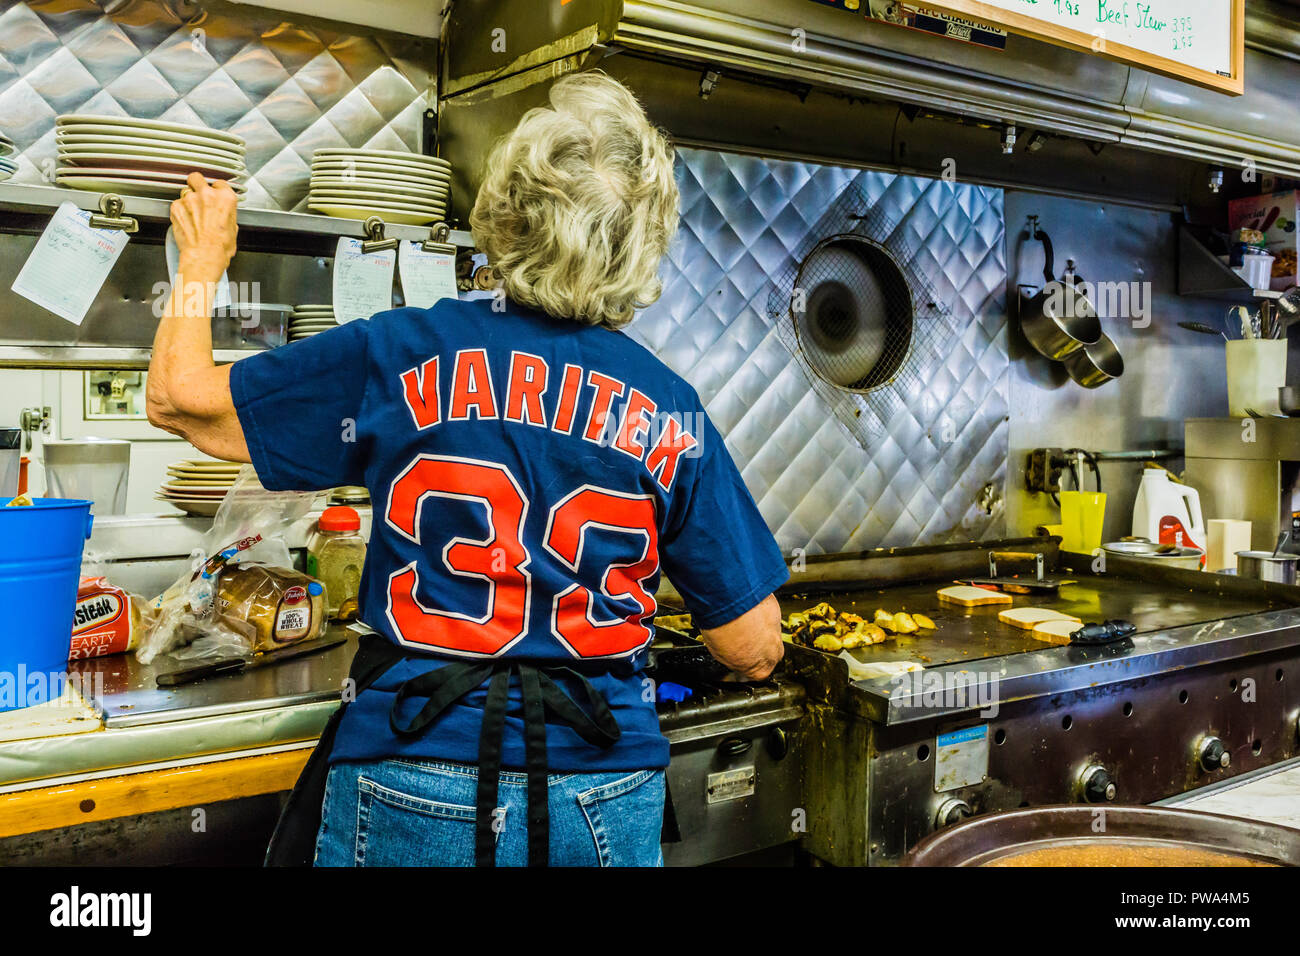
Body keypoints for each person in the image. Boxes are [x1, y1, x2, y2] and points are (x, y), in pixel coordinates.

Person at [147, 72, 788, 867]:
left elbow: (181, 401)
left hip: (413, 768)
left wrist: (203, 257)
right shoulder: (670, 404)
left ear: (504, 210)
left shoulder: (400, 349)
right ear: (642, 242)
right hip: (601, 787)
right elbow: (753, 648)